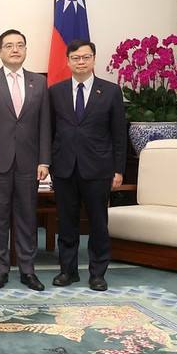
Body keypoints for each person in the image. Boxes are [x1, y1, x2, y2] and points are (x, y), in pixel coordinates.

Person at [49, 39, 126, 292]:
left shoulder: (111, 91)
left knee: (97, 223)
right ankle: (67, 271)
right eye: (75, 58)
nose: (81, 62)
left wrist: (118, 169)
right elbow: (50, 132)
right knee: (67, 222)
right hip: (64, 168)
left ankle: (97, 273)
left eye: (86, 57)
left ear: (93, 59)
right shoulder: (56, 92)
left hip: (98, 168)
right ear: (68, 61)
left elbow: (119, 135)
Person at [0, 29, 50, 291]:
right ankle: (0, 270)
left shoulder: (39, 82)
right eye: (9, 45)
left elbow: (44, 124)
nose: (15, 49)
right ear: (0, 52)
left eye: (20, 45)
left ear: (26, 50)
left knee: (27, 217)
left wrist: (44, 160)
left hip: (30, 162)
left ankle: (28, 271)